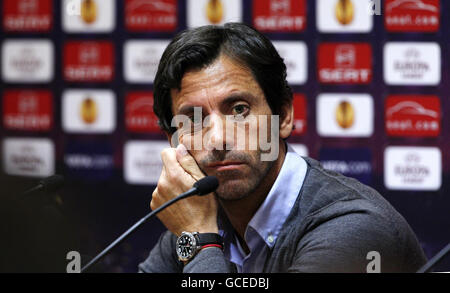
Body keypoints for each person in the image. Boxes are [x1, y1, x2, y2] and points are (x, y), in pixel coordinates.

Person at [138, 23, 427, 273]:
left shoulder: (354, 226)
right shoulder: (201, 212)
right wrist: (199, 234)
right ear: (173, 141)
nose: (218, 140)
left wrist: (200, 240)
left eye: (239, 109)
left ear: (284, 116)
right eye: (193, 119)